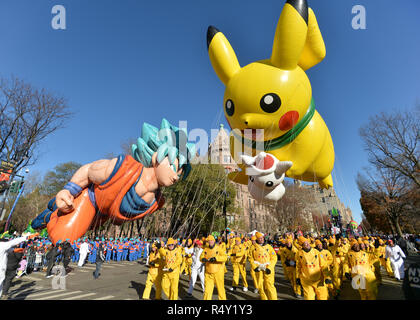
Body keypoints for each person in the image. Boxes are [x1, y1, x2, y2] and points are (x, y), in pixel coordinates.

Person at [0, 233, 38, 297]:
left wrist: (14, 250)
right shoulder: (2, 245)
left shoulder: (3, 247)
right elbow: (14, 242)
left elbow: (7, 250)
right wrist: (26, 237)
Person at [295, 236, 328, 300]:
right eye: (304, 244)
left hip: (319, 280)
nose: (306, 244)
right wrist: (298, 277)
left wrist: (327, 277)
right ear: (302, 246)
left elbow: (323, 265)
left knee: (322, 297)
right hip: (306, 281)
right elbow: (298, 267)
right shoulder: (299, 254)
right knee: (308, 298)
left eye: (307, 243)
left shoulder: (316, 252)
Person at [248, 232, 277, 300]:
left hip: (268, 269)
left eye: (262, 238)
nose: (261, 239)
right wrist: (255, 267)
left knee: (270, 286)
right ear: (257, 239)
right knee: (260, 286)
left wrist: (269, 268)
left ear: (263, 238)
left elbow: (274, 257)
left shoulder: (269, 247)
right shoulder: (253, 247)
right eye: (259, 238)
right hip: (258, 269)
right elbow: (250, 258)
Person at [200, 235, 227, 300]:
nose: (210, 242)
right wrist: (202, 259)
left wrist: (216, 258)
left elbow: (225, 257)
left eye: (211, 241)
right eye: (209, 241)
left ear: (214, 241)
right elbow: (201, 257)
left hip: (218, 272)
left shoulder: (219, 248)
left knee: (221, 290)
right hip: (208, 273)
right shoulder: (205, 249)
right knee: (207, 291)